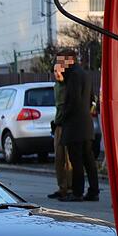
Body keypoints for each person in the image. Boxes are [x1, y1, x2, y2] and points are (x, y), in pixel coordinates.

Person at [59, 53, 100, 202]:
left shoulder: (73, 76)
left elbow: (73, 100)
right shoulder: (85, 74)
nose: (60, 66)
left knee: (76, 161)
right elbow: (91, 100)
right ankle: (94, 191)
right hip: (86, 125)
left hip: (74, 126)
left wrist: (64, 116)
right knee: (89, 161)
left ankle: (77, 192)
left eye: (61, 62)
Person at [48, 53, 73, 200]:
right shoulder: (56, 86)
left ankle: (69, 187)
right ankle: (61, 186)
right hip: (58, 124)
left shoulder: (68, 85)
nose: (56, 74)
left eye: (59, 71)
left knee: (68, 159)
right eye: (54, 71)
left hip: (68, 124)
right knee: (58, 158)